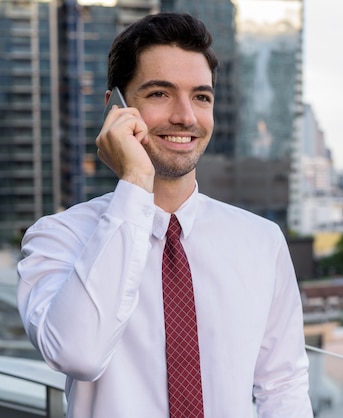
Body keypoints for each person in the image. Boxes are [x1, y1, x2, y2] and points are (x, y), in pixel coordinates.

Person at [16, 12, 313, 418]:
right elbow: (77, 353)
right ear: (115, 108)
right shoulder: (57, 236)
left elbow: (283, 384)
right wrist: (136, 180)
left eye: (201, 97)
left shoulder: (262, 241)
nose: (186, 116)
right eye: (159, 93)